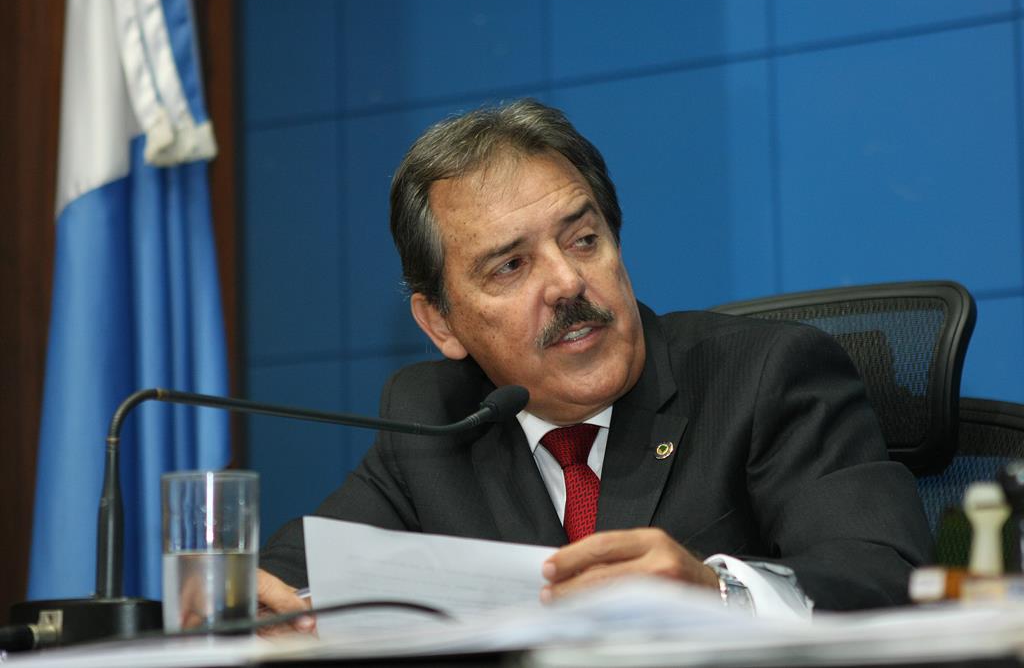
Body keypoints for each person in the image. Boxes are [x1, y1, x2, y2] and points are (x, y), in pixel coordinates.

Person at [256, 99, 932, 628]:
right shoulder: (434, 417)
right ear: (441, 323)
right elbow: (291, 579)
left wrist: (718, 593)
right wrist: (247, 604)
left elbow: (887, 576)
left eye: (583, 239)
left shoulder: (765, 376)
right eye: (511, 265)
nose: (567, 282)